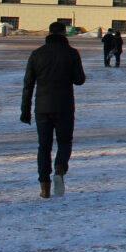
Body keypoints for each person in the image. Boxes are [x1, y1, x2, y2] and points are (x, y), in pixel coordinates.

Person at [21, 20, 87, 199]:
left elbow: (28, 84)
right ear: (65, 34)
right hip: (65, 105)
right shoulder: (72, 53)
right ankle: (59, 168)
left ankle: (44, 188)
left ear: (49, 34)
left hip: (42, 107)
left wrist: (25, 111)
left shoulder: (37, 54)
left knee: (44, 146)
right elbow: (79, 80)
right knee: (65, 142)